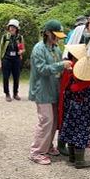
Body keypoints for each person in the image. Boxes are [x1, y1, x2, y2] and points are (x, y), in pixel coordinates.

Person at [28, 20, 73, 164]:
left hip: (54, 90)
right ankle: (36, 152)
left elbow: (58, 67)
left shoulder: (56, 48)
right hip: (42, 91)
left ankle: (47, 146)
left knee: (54, 121)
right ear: (47, 33)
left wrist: (66, 68)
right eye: (56, 35)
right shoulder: (39, 49)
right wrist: (61, 65)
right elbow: (42, 69)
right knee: (46, 120)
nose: (58, 38)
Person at [58, 44, 90, 169]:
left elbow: (66, 93)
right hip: (83, 109)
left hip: (72, 107)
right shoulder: (89, 81)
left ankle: (72, 156)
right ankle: (80, 161)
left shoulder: (71, 74)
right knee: (81, 133)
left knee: (71, 130)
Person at [0, 19, 25, 102]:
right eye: (10, 27)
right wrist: (0, 60)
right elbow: (1, 49)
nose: (12, 29)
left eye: (14, 27)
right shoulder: (5, 37)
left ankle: (15, 93)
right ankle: (7, 93)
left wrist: (21, 51)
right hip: (6, 60)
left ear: (17, 29)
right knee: (5, 77)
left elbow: (23, 48)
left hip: (16, 60)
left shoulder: (20, 37)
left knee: (16, 77)